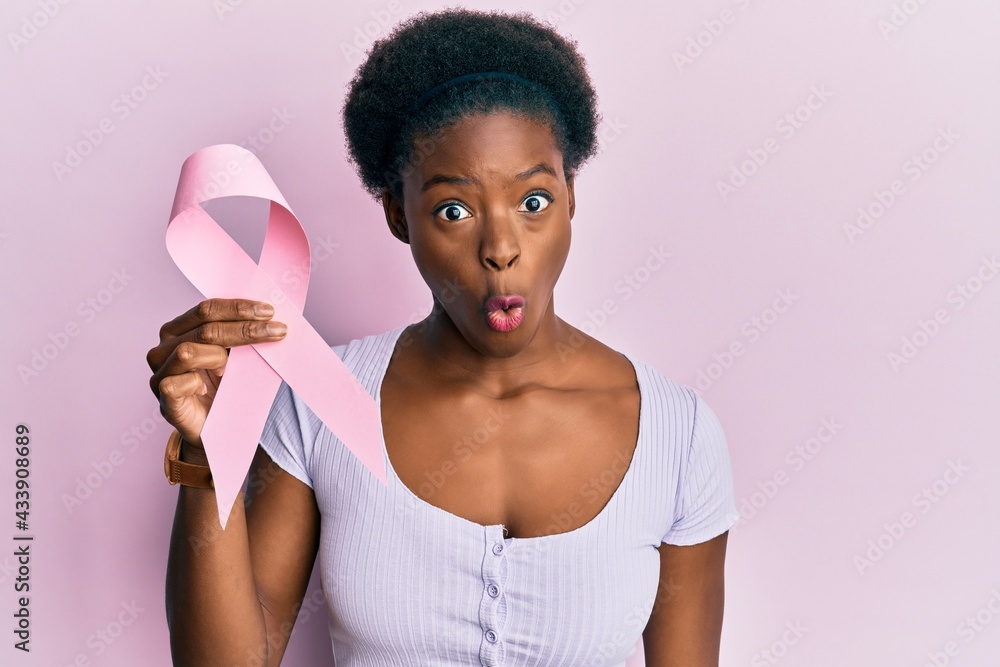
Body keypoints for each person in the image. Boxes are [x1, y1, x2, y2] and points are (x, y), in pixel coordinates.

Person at [147, 7, 739, 666]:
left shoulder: (678, 437)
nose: (500, 248)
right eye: (453, 210)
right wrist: (207, 455)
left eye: (533, 201)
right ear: (400, 216)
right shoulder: (318, 406)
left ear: (572, 194)